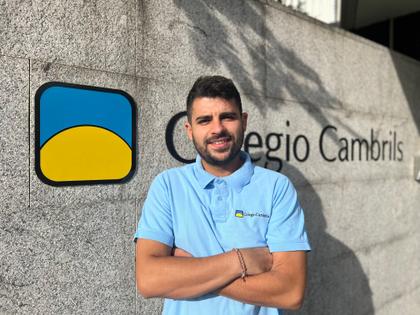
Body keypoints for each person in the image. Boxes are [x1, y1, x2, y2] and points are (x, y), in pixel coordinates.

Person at [134, 75, 311, 314]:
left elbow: (290, 292)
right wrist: (241, 261)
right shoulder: (168, 185)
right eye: (205, 120)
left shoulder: (277, 188)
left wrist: (188, 272)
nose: (217, 129)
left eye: (227, 117)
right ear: (189, 130)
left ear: (244, 121)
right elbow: (149, 280)